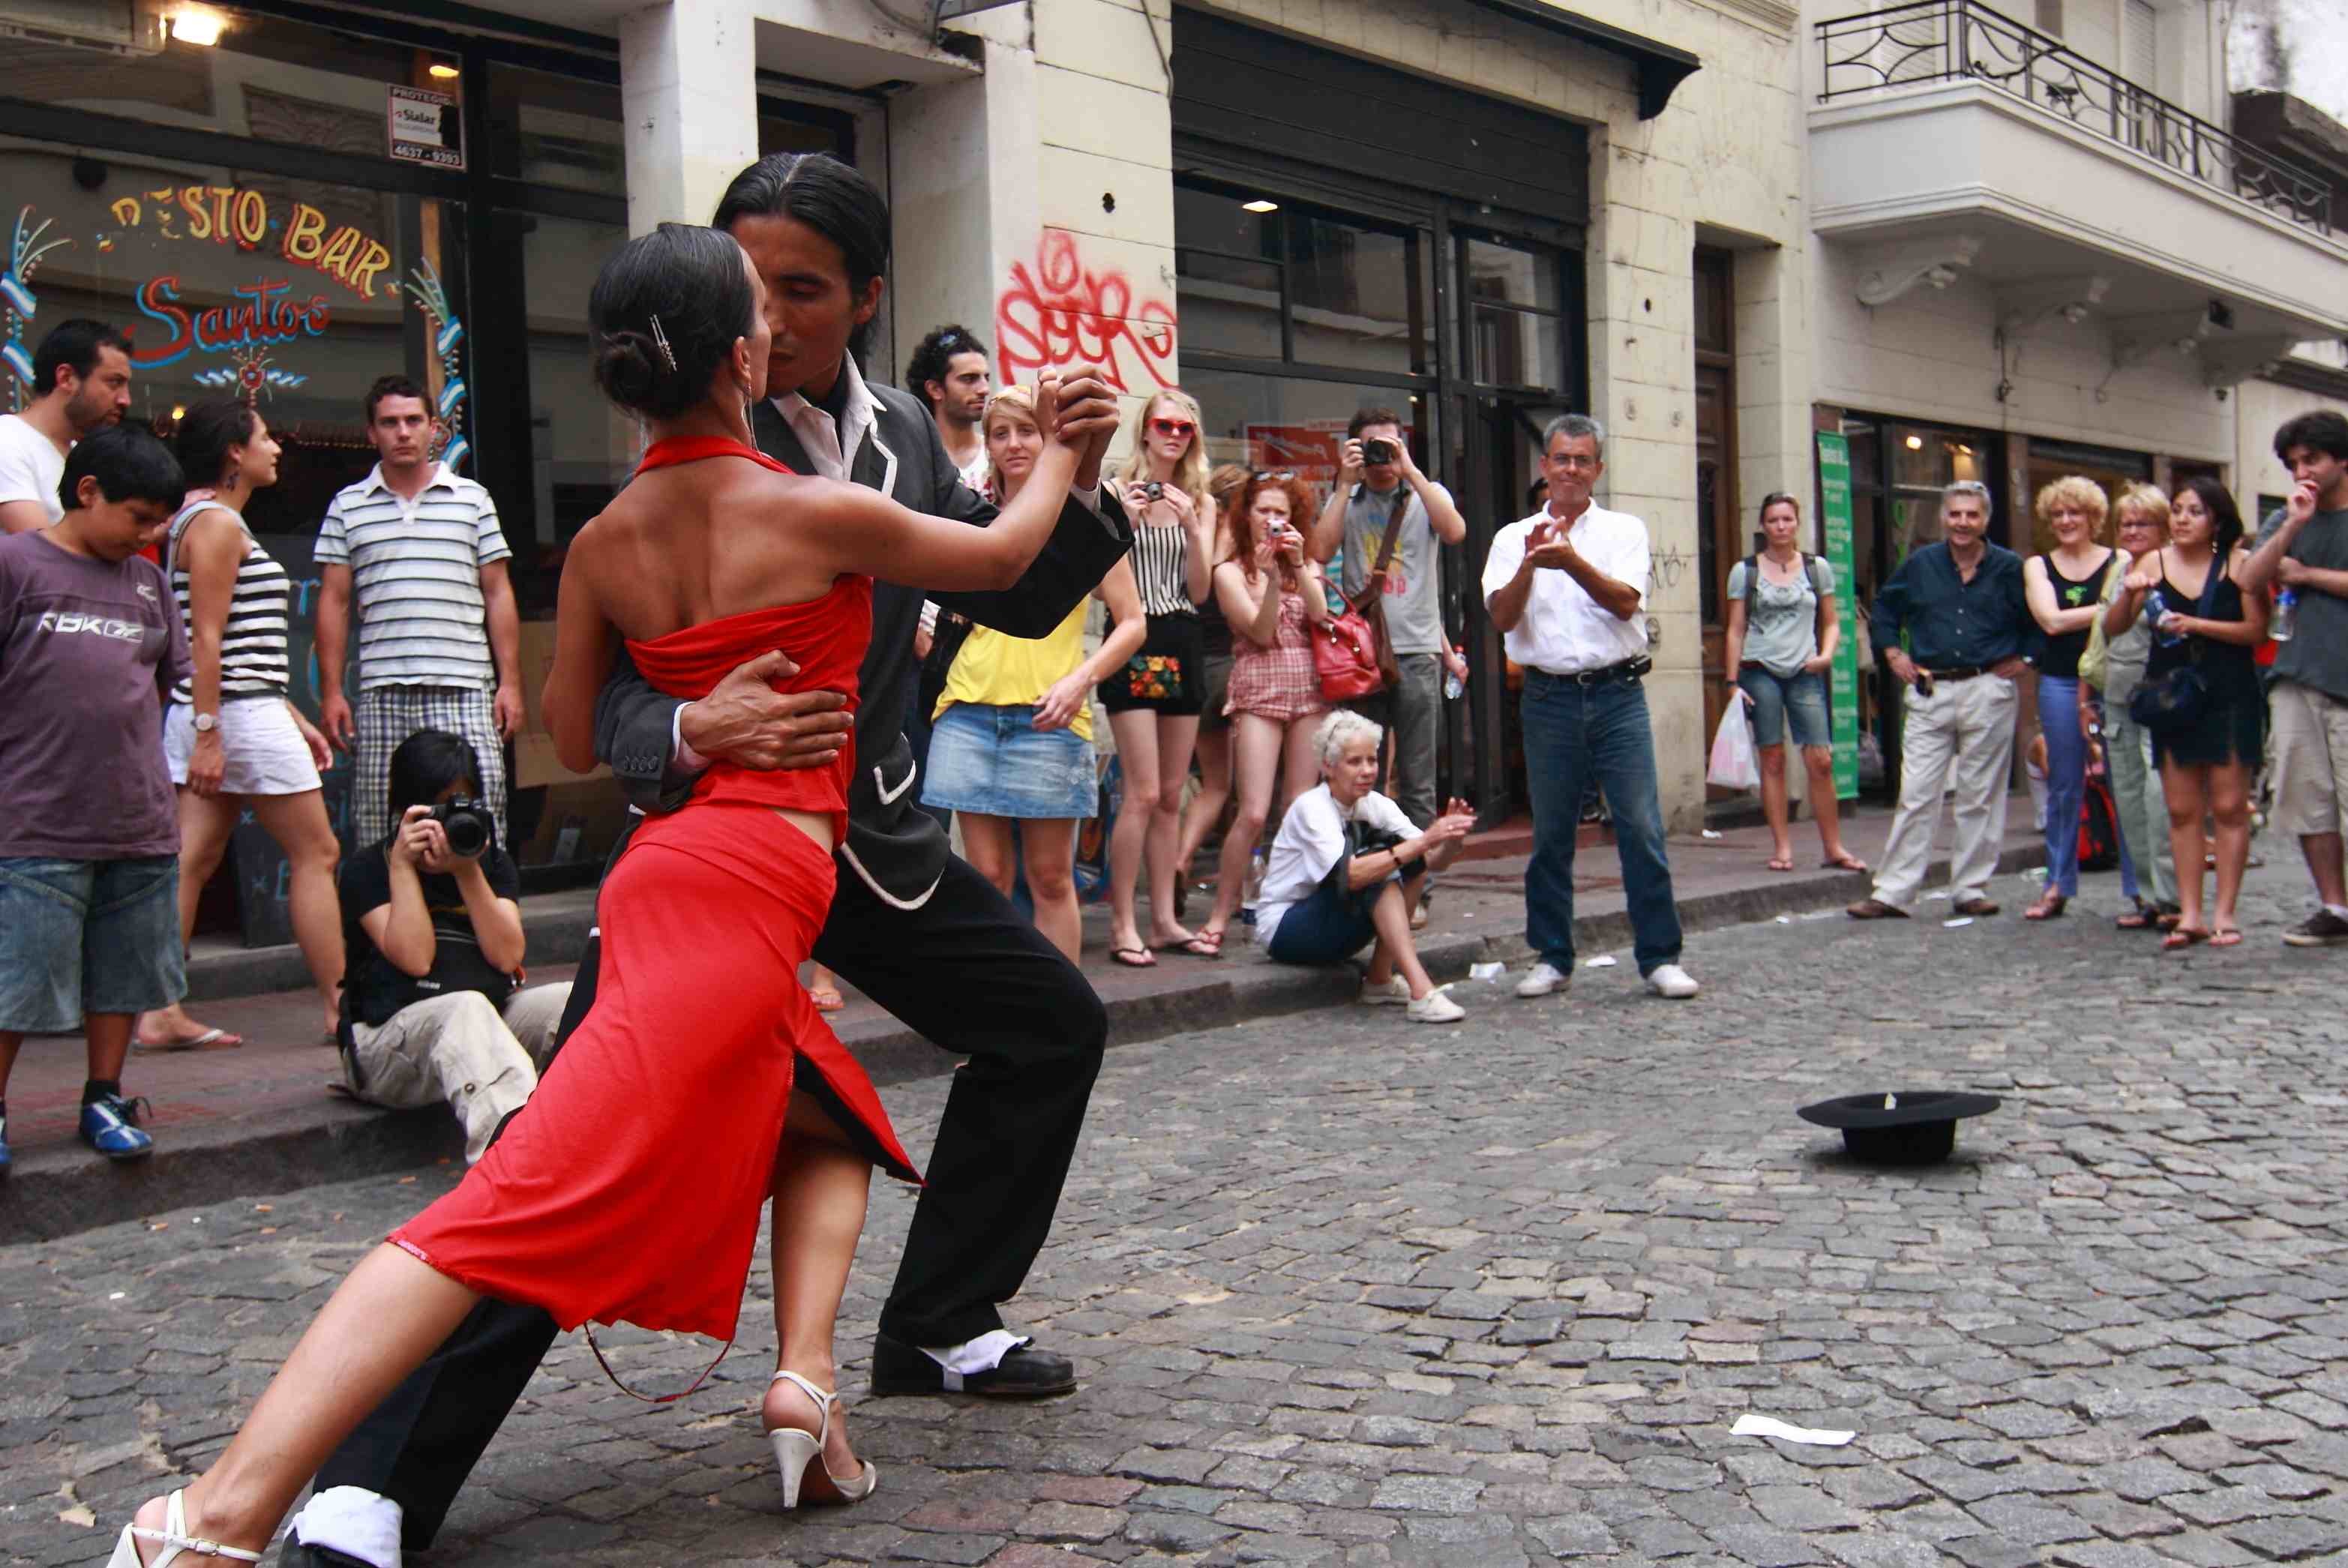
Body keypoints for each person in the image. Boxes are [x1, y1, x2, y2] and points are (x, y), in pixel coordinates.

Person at [108, 218, 1125, 1568]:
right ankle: (222, 1514)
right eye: (767, 302)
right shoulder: (809, 508)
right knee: (510, 1201)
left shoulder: (603, 539)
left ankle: (814, 1387)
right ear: (745, 351)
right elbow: (997, 561)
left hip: (679, 877)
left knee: (825, 1112)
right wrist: (1055, 449)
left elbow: (572, 742)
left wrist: (1072, 467)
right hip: (748, 884)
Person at [0, 425, 187, 1174]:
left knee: (126, 971)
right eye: (137, 517)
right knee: (16, 976)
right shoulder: (16, 565)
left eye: (158, 523)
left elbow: (165, 678)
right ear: (86, 493)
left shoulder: (145, 583)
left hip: (137, 820)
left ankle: (105, 1095)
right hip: (35, 818)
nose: (147, 535)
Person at [135, 403, 341, 1054]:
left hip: (228, 711)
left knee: (189, 861)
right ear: (233, 452)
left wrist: (287, 714)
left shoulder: (194, 520)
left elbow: (218, 641)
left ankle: (160, 1008)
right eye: (263, 437)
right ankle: (344, 1006)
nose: (277, 447)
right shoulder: (220, 524)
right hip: (231, 713)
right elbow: (211, 639)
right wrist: (212, 731)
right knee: (317, 854)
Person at [919, 383, 1147, 962]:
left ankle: (1058, 1028)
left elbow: (1132, 623)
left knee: (1050, 879)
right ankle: (997, 1020)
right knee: (986, 881)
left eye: (1027, 431)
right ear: (988, 445)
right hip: (966, 710)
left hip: (1049, 714)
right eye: (1001, 433)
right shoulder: (971, 516)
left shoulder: (1079, 525)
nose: (1015, 443)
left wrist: (1080, 680)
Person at [1481, 415, 1699, 1000]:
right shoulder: (1512, 537)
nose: (1570, 469)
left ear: (1597, 469)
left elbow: (1626, 603)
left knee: (1640, 827)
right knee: (1550, 833)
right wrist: (1531, 562)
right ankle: (1552, 956)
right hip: (1548, 696)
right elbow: (1501, 618)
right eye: (1561, 459)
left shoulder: (1623, 530)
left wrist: (1570, 559)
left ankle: (1658, 957)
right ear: (1544, 467)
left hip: (1617, 693)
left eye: (1582, 460)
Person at [334, 730, 568, 1160]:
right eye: (435, 807)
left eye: (460, 804)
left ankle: (595, 1139)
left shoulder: (489, 862)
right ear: (404, 808)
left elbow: (507, 956)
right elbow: (416, 960)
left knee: (572, 999)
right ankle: (517, 1161)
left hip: (479, 1023)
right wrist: (404, 868)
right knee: (466, 1007)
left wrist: (467, 872)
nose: (446, 824)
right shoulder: (369, 869)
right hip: (383, 1048)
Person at [313, 376, 522, 848]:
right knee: (378, 824)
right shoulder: (348, 506)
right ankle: (389, 922)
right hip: (384, 688)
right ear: (372, 433)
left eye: (413, 421)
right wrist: (331, 692)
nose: (402, 432)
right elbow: (334, 601)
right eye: (389, 423)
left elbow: (498, 594)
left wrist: (510, 683)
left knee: (481, 817)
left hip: (466, 685)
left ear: (434, 428)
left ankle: (480, 921)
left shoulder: (473, 500)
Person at [1849, 480, 2043, 921]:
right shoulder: (1921, 564)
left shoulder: (2009, 568)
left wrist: (2029, 658)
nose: (1962, 523)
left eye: (1972, 515)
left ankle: (1970, 887)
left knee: (1980, 794)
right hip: (1930, 687)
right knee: (1917, 793)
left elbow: (2037, 618)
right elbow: (1884, 610)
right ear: (1943, 518)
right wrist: (1892, 652)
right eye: (1955, 514)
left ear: (1986, 521)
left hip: (1987, 687)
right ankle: (1893, 892)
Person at [2108, 477, 2266, 949]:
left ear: (2217, 518)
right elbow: (2114, 629)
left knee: (2229, 807)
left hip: (2228, 692)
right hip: (2172, 696)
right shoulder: (2151, 562)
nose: (2181, 519)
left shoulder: (2239, 565)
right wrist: (2131, 596)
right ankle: (2190, 913)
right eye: (2176, 510)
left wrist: (2196, 624)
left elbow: (2256, 631)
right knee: (2181, 809)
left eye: (2194, 511)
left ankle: (2225, 914)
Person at [1192, 469, 1331, 955]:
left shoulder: (1305, 560)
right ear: (1246, 515)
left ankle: (1284, 905)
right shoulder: (1228, 571)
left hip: (1308, 688)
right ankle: (1218, 913)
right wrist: (1271, 579)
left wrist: (1297, 566)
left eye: (1281, 513)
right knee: (1251, 811)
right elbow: (1261, 632)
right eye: (1264, 511)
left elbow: (1319, 615)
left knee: (1297, 806)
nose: (1272, 520)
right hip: (1257, 688)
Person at [1258, 710, 1474, 1021]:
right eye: (1355, 762)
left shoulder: (1375, 804)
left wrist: (1451, 838)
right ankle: (1422, 991)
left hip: (1332, 921)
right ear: (1328, 768)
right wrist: (1425, 841)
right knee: (1378, 872)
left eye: (1372, 761)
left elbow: (1430, 862)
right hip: (1285, 930)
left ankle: (1379, 981)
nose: (1367, 770)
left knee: (1408, 865)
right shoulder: (1311, 808)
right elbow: (1352, 875)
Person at [1101, 388, 1216, 965]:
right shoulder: (1116, 491)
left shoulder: (1200, 498)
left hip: (1181, 636)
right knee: (1141, 792)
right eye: (1164, 424)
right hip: (1135, 634)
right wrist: (1125, 521)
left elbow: (1200, 590)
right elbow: (1099, 579)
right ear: (1144, 430)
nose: (1174, 434)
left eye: (1184, 428)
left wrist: (1193, 527)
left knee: (1171, 793)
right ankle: (1124, 921)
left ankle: (1165, 918)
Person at [1310, 407, 1469, 829]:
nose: (1381, 455)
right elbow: (1321, 552)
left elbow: (1455, 532)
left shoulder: (1426, 494)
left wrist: (1410, 471)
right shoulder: (1347, 499)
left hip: (1416, 653)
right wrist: (1344, 485)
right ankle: (1371, 874)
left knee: (1419, 780)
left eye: (1389, 444)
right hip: (1362, 655)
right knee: (1361, 778)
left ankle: (1419, 886)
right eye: (1371, 446)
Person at [2239, 409, 2348, 946]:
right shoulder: (2287, 519)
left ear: (2341, 460)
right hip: (2294, 674)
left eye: (2313, 459)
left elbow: (2301, 578)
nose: (2302, 470)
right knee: (2308, 797)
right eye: (2293, 463)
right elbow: (2248, 577)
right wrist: (2292, 527)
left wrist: (2308, 576)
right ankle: (2333, 906)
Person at [1721, 490, 1864, 874]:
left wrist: (1827, 654)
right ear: (1763, 526)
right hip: (1759, 668)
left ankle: (1833, 847)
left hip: (1805, 670)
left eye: (1787, 519)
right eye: (1773, 521)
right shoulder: (1745, 571)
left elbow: (1832, 620)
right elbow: (1735, 630)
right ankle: (1782, 847)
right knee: (1773, 758)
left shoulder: (1817, 569)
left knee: (1821, 760)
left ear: (1797, 523)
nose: (1780, 527)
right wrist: (1732, 681)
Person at [2020, 475, 2120, 921]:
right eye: (2058, 514)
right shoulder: (2039, 566)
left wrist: (2105, 611)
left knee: (2126, 783)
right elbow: (2052, 622)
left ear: (2094, 518)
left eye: (2074, 513)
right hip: (2060, 680)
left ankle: (2141, 888)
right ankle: (2058, 883)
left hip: (2114, 681)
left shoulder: (2119, 561)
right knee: (2063, 784)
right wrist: (2108, 609)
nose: (2065, 521)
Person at [2081, 484, 2178, 929]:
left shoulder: (2175, 569)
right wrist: (2088, 699)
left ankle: (2173, 895)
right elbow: (2102, 637)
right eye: (2126, 524)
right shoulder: (2119, 571)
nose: (2133, 531)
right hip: (2117, 698)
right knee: (2130, 800)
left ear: (2164, 529)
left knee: (2161, 801)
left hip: (2161, 702)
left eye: (2143, 523)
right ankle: (2145, 896)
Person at [1172, 462, 1251, 917]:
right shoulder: (1237, 544)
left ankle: (1181, 860)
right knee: (1244, 793)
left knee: (1213, 784)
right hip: (1234, 668)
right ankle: (1236, 891)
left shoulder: (1191, 535)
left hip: (1196, 669)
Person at [0, 318, 131, 535]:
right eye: (114, 382)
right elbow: (44, 555)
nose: (125, 400)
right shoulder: (8, 441)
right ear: (66, 378)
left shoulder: (85, 454)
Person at [904, 322, 994, 485]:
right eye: (969, 379)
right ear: (935, 389)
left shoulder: (999, 454)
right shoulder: (912, 461)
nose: (984, 389)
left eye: (986, 378)